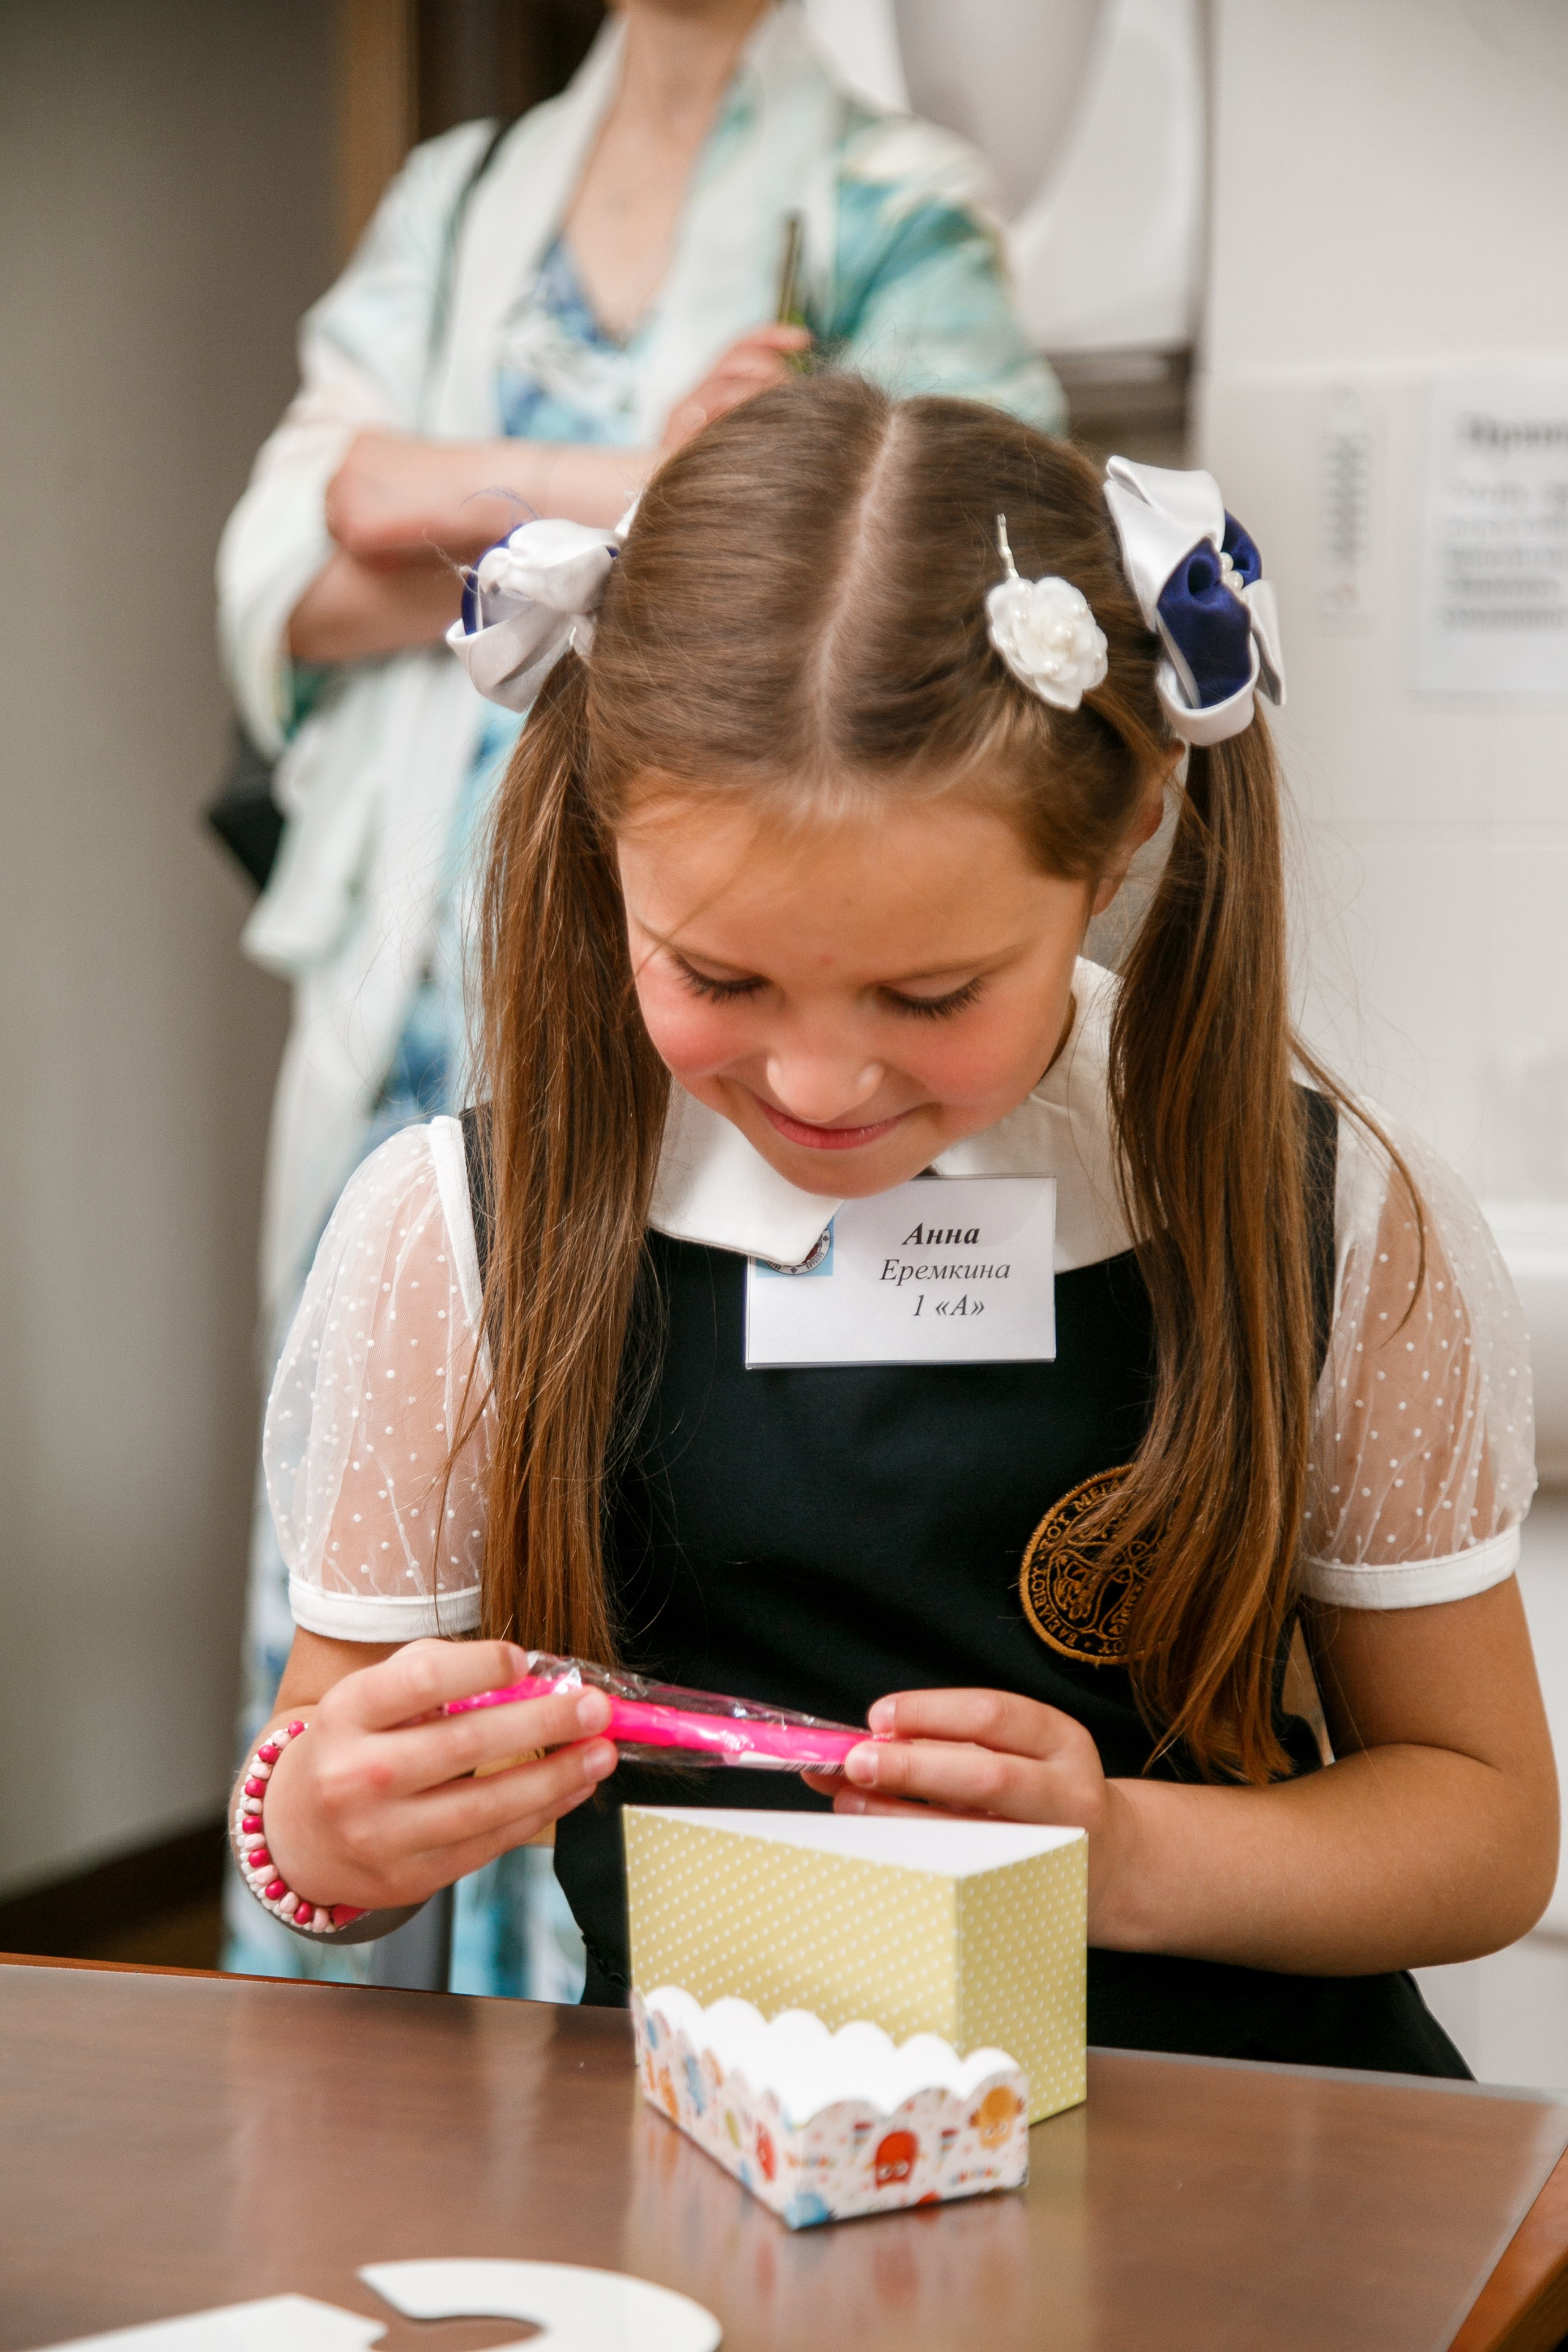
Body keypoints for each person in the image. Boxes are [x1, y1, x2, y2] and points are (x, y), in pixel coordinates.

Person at [232, 372, 1551, 2072]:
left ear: (1132, 823)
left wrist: (1123, 1856)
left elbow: (1486, 1830)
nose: (824, 1076)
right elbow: (317, 1811)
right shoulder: (456, 1231)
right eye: (719, 974)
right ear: (605, 839)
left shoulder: (1329, 1209)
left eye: (930, 992)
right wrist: (331, 1834)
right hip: (728, 2168)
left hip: (1250, 2152)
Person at [217, 0, 1063, 1984]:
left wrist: (436, 496)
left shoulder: (890, 204)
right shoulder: (462, 199)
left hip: (698, 1029)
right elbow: (294, 552)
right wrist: (633, 470)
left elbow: (932, 585)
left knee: (647, 1556)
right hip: (424, 1011)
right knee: (367, 1614)